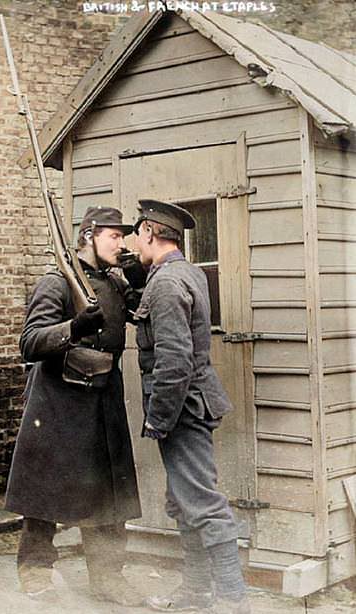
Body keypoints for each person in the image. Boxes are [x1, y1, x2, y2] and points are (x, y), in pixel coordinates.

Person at [5, 206, 146, 606]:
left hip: (103, 395)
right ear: (89, 235)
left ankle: (108, 578)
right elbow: (30, 343)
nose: (121, 243)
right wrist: (74, 328)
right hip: (59, 400)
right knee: (44, 490)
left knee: (108, 493)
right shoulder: (56, 283)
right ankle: (35, 572)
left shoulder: (115, 283)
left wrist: (138, 278)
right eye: (114, 236)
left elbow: (140, 312)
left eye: (123, 236)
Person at [133, 199, 250, 614]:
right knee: (184, 500)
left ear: (150, 231)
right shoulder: (188, 272)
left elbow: (175, 361)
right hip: (194, 402)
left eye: (138, 233)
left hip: (182, 408)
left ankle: (234, 599)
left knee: (202, 502)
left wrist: (158, 420)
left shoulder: (165, 284)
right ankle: (197, 593)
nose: (134, 241)